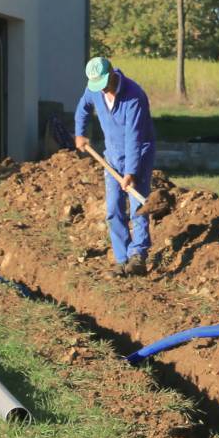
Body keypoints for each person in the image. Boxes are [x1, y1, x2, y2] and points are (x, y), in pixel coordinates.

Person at [74, 56, 156, 276]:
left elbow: (134, 137)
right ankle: (121, 260)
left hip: (138, 153)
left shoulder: (134, 96)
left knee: (137, 205)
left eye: (104, 85)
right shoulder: (94, 90)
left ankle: (138, 256)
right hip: (111, 156)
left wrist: (131, 172)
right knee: (113, 209)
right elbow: (83, 108)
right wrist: (80, 133)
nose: (101, 91)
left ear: (111, 74)